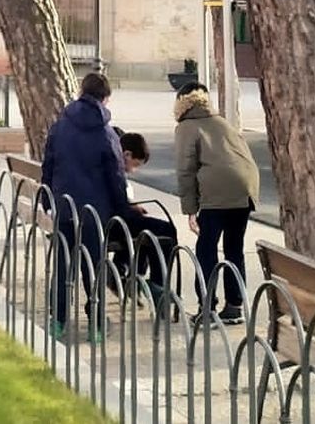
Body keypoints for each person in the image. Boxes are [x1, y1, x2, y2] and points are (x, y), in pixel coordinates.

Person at [40, 71, 126, 340]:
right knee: (94, 265)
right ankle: (97, 324)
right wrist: (121, 209)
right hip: (95, 210)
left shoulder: (60, 126)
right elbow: (116, 175)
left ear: (80, 92)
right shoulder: (105, 132)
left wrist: (47, 199)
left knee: (63, 264)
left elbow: (49, 165)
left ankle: (59, 321)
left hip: (65, 206)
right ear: (105, 98)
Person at [173, 81, 259, 326]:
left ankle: (207, 307)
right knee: (234, 248)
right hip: (245, 189)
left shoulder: (186, 128)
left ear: (180, 104)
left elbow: (185, 171)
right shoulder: (221, 122)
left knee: (206, 248)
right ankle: (235, 306)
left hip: (217, 193)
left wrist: (190, 211)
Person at [111, 131, 179, 313]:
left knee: (147, 229)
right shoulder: (113, 165)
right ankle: (158, 284)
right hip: (112, 221)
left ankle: (128, 272)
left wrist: (131, 206)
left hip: (104, 218)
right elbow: (117, 201)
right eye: (134, 165)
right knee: (166, 230)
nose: (133, 170)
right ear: (126, 154)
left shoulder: (103, 157)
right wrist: (130, 206)